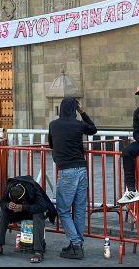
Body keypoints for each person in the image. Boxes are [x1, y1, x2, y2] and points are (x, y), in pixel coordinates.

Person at [48, 97, 97, 260]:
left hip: (66, 170)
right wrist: (82, 112)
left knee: (63, 209)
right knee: (79, 208)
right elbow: (93, 129)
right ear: (74, 109)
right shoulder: (79, 125)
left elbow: (51, 144)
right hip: (81, 168)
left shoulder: (54, 125)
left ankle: (76, 244)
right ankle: (77, 244)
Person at [0, 175, 58, 264]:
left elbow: (42, 206)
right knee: (4, 212)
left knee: (38, 215)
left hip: (31, 211)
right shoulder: (10, 186)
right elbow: (2, 201)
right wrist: (7, 205)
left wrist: (24, 207)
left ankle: (38, 251)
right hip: (17, 212)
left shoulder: (33, 187)